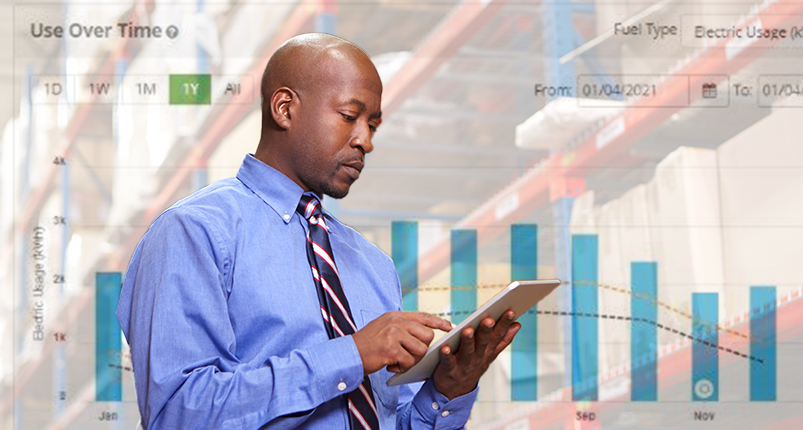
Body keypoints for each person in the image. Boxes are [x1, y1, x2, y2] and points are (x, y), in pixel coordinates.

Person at [117, 33, 521, 429]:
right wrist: (352, 355)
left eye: (373, 125)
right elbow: (177, 415)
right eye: (350, 116)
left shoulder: (372, 265)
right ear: (284, 108)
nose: (365, 140)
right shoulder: (194, 232)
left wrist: (448, 391)